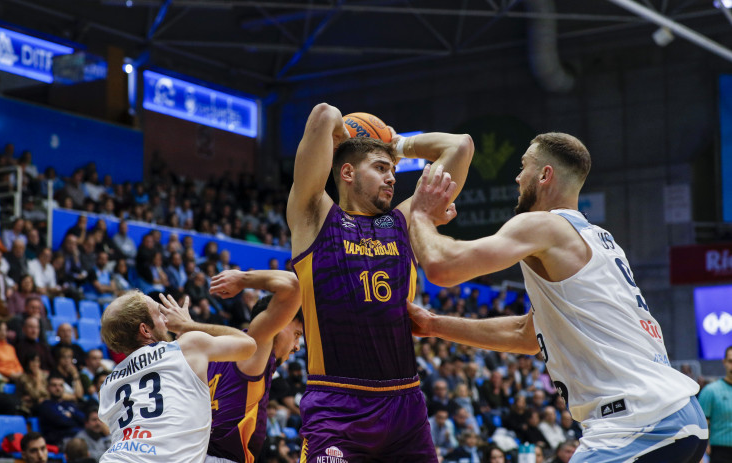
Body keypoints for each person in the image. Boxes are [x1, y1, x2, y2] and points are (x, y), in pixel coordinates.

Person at [406, 133, 708, 462]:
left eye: (523, 167)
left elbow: (442, 267)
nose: (518, 177)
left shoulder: (542, 227)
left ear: (545, 175)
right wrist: (435, 324)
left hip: (637, 422)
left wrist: (421, 215)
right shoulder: (600, 239)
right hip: (678, 415)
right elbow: (526, 335)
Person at [286, 103, 473, 461]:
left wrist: (398, 146)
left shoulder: (405, 221)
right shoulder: (315, 216)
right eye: (380, 168)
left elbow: (460, 147)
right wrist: (346, 135)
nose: (392, 177)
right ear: (347, 173)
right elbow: (324, 115)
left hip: (405, 404)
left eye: (393, 171)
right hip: (337, 404)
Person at [98, 290, 256, 462]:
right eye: (160, 314)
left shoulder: (107, 384)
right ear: (145, 330)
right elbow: (248, 345)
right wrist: (188, 325)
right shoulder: (187, 347)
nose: (167, 320)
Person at [179, 269, 303, 463]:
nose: (296, 346)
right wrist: (242, 279)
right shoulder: (256, 349)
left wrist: (188, 326)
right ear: (280, 320)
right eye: (296, 334)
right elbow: (291, 285)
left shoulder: (210, 352)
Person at [698, 345, 732, 463]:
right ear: (724, 362)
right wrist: (701, 450)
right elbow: (700, 424)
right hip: (720, 453)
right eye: (730, 361)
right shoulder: (711, 391)